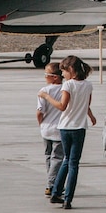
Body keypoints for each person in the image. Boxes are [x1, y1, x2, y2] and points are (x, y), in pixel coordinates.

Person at [40, 55, 97, 209]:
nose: (62, 75)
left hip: (65, 127)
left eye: (63, 72)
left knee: (67, 160)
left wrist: (47, 96)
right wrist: (91, 116)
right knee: (73, 163)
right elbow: (86, 104)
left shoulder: (68, 85)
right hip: (79, 128)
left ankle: (56, 192)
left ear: (71, 70)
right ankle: (67, 198)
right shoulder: (88, 85)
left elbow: (62, 106)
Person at [37, 63, 64, 197]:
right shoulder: (65, 90)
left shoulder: (44, 91)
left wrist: (40, 123)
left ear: (54, 77)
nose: (45, 77)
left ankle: (51, 181)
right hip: (59, 129)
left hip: (46, 128)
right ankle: (52, 184)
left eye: (46, 75)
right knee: (57, 158)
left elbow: (39, 111)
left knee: (48, 156)